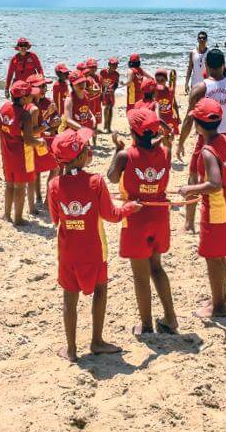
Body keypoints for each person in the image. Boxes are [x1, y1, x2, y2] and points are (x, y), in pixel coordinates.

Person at [49, 127, 140, 361]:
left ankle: (71, 349)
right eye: (85, 147)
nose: (89, 149)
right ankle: (97, 341)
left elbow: (55, 218)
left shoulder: (54, 185)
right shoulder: (95, 181)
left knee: (69, 298)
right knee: (100, 289)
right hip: (94, 249)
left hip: (67, 251)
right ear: (80, 157)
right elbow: (112, 215)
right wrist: (130, 207)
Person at [106, 110, 178, 336]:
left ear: (132, 133)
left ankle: (146, 324)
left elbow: (112, 177)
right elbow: (160, 144)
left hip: (136, 217)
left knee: (140, 274)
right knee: (157, 267)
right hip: (159, 216)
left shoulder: (125, 156)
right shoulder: (165, 152)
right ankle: (170, 318)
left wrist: (117, 149)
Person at [177, 99, 226, 319]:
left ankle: (219, 307)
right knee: (220, 254)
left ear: (197, 124)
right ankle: (220, 298)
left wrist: (191, 189)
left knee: (213, 257)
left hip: (217, 209)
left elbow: (214, 184)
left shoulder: (207, 151)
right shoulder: (225, 140)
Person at [177, 49, 226, 232]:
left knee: (194, 177)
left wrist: (181, 142)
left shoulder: (200, 88)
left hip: (206, 139)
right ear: (224, 65)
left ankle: (189, 223)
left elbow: (189, 119)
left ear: (206, 66)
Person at [0, 81, 38, 225]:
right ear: (23, 99)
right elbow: (29, 139)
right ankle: (18, 219)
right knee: (20, 186)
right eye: (29, 95)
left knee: (9, 185)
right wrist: (40, 143)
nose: (32, 97)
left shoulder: (4, 107)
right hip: (20, 155)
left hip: (6, 153)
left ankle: (7, 215)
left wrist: (10, 133)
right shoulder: (25, 115)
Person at [26, 73, 59, 213]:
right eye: (42, 86)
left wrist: (47, 116)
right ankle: (45, 201)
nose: (45, 88)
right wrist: (48, 123)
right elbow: (33, 131)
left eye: (45, 86)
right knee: (54, 167)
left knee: (38, 171)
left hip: (36, 141)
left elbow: (36, 125)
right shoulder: (33, 106)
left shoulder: (36, 103)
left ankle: (40, 202)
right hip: (35, 142)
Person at [153, 69, 180, 144]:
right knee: (158, 142)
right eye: (157, 80)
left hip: (169, 119)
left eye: (162, 80)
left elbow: (174, 104)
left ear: (166, 80)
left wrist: (178, 116)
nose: (159, 82)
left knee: (168, 142)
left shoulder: (170, 91)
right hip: (159, 120)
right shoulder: (154, 92)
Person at [100, 58, 121, 132]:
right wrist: (101, 92)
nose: (115, 66)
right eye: (113, 64)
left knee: (110, 109)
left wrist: (113, 90)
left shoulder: (116, 74)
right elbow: (99, 81)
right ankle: (105, 126)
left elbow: (116, 84)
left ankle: (108, 127)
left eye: (116, 65)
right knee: (106, 108)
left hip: (111, 94)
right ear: (109, 64)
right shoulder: (103, 72)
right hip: (104, 93)